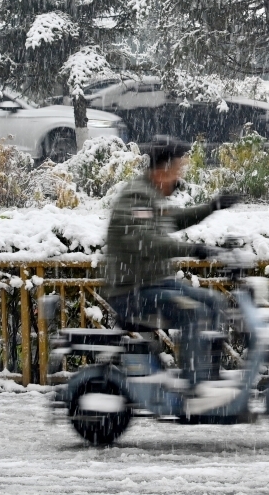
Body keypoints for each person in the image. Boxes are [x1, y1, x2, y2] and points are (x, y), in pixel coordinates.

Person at [103, 135, 239, 392]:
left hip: (156, 285)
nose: (179, 178)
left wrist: (213, 206)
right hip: (132, 291)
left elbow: (173, 219)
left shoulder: (150, 196)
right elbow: (146, 240)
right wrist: (193, 249)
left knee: (214, 302)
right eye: (178, 170)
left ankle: (209, 376)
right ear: (163, 170)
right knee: (193, 312)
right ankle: (194, 387)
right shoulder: (136, 198)